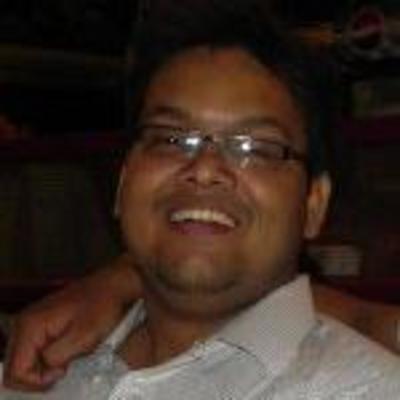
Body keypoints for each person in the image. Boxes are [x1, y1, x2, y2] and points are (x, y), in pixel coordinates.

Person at [2, 3, 400, 398]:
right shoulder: (33, 373)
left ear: (314, 204)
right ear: (123, 182)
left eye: (255, 147)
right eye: (172, 139)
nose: (205, 168)